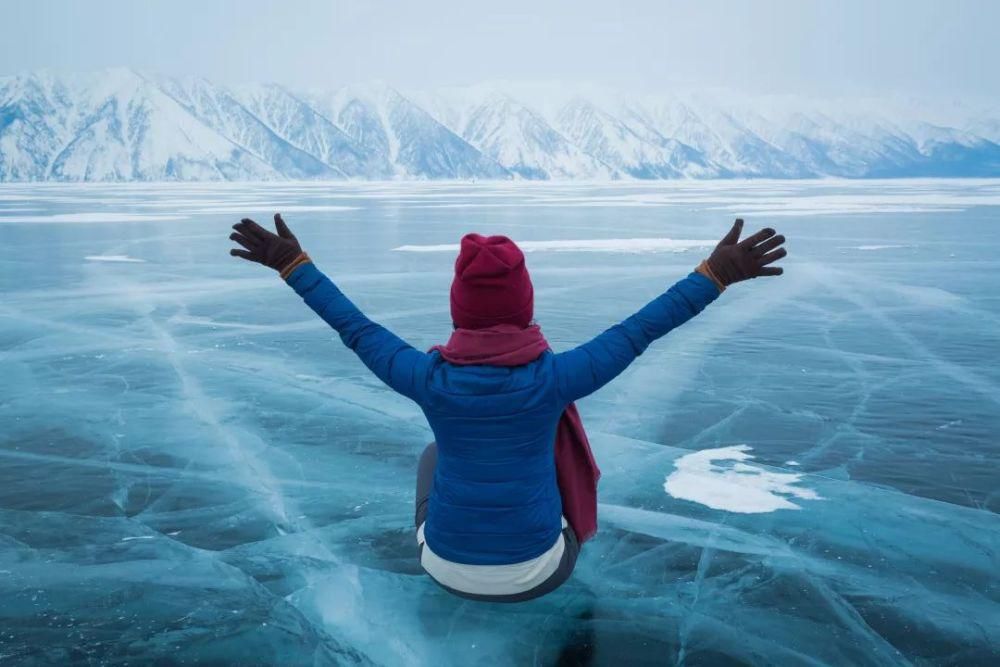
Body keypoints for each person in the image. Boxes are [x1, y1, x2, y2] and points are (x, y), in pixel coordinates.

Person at [229, 214, 786, 602]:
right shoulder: (556, 378)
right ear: (525, 304)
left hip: (442, 568)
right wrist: (715, 275)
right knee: (547, 460)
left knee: (435, 454)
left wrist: (293, 264)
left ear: (459, 307)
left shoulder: (428, 379)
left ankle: (456, 539)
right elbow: (640, 329)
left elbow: (355, 328)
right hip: (539, 574)